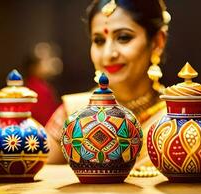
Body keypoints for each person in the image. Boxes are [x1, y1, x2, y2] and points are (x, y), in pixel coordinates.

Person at [45, 0, 171, 177]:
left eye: (123, 37)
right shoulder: (73, 113)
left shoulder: (177, 120)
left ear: (157, 41)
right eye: (99, 40)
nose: (108, 54)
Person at [25, 42, 63, 126]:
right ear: (34, 67)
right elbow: (46, 120)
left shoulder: (41, 85)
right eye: (46, 60)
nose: (52, 61)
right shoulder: (38, 89)